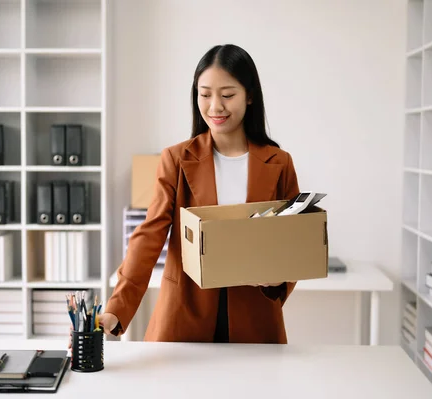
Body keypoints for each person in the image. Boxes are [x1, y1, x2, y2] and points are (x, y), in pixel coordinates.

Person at [100, 44, 300, 344]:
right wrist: (116, 308)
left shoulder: (279, 162)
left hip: (255, 319)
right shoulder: (176, 159)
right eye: (205, 94)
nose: (215, 106)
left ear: (250, 95)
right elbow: (149, 236)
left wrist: (280, 276)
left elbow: (294, 240)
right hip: (184, 315)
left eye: (227, 95)